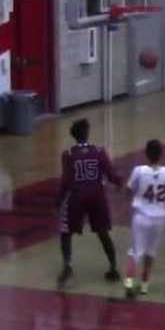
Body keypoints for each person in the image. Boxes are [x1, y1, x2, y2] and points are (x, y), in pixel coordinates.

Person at [56, 119, 122, 288]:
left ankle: (68, 266)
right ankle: (113, 267)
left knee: (65, 232)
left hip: (77, 197)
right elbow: (111, 174)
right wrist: (119, 183)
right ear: (87, 132)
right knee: (103, 233)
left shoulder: (68, 154)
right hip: (97, 197)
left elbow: (65, 182)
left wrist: (58, 202)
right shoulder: (99, 151)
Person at [123, 140, 165, 298]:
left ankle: (128, 282)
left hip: (141, 217)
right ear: (161, 154)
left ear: (146, 154)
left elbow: (127, 190)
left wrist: (134, 197)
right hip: (160, 219)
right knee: (151, 252)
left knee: (135, 251)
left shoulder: (139, 171)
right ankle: (145, 285)